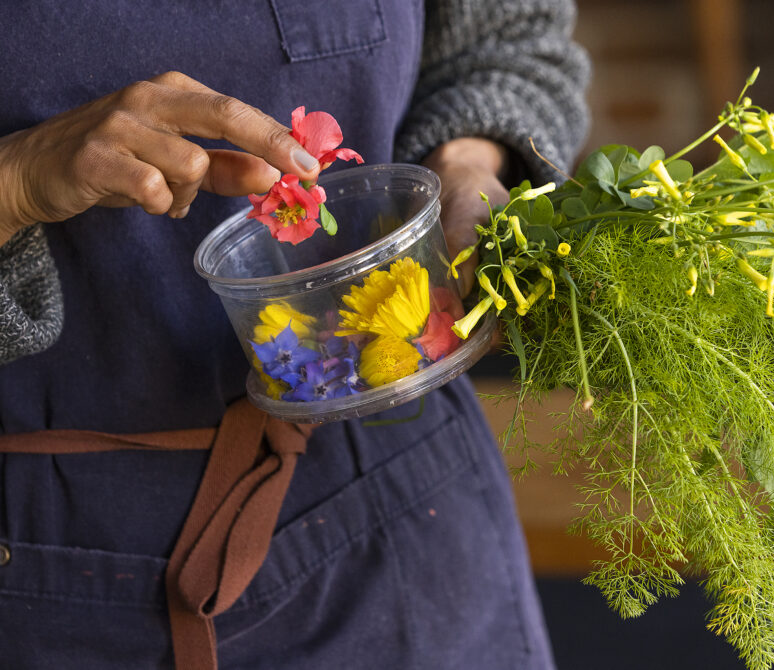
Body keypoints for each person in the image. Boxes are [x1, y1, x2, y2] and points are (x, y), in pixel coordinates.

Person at [0, 1, 590, 668]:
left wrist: (470, 170)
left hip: (404, 509)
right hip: (49, 573)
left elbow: (509, 45)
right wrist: (15, 183)